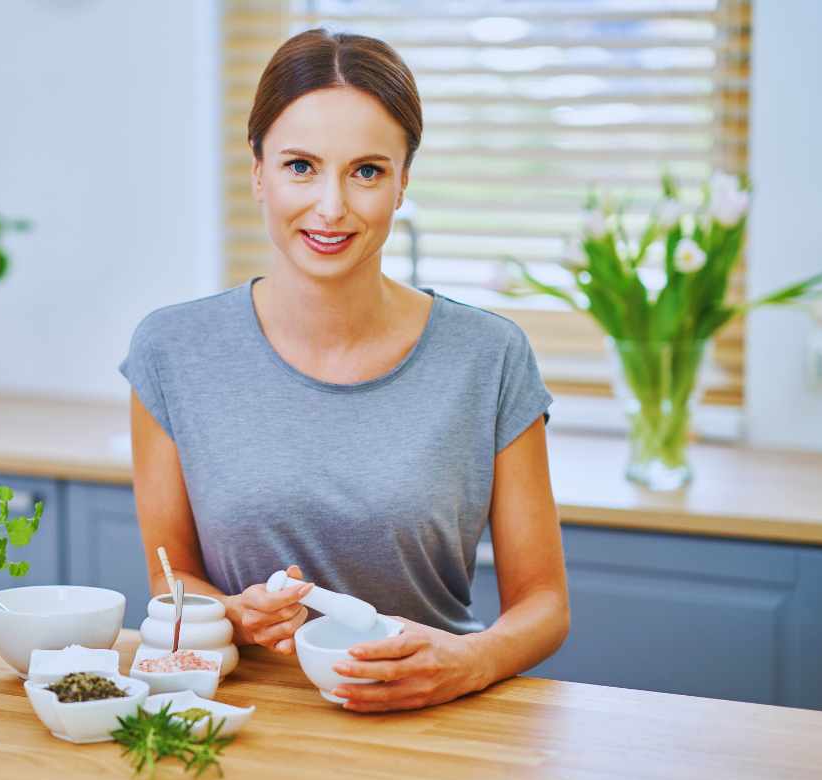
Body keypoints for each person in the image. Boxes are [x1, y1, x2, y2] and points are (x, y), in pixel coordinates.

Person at [119, 29, 568, 713]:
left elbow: (544, 604)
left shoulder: (490, 358)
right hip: (245, 720)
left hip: (437, 716)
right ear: (258, 169)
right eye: (301, 165)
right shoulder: (171, 351)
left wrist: (469, 663)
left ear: (402, 182)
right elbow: (171, 575)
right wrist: (231, 615)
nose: (332, 207)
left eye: (366, 171)